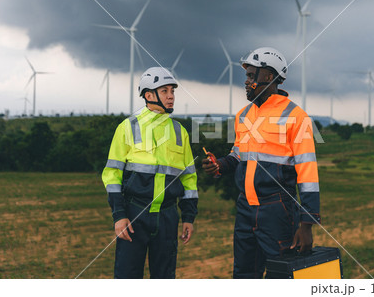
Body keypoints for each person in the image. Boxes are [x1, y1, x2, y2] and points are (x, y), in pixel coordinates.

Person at [202, 47, 320, 278]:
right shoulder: (243, 116)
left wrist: (307, 223)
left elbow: (308, 172)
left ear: (268, 76)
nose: (246, 81)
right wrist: (220, 166)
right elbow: (238, 155)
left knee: (280, 277)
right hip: (245, 208)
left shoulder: (296, 117)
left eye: (250, 75)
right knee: (244, 275)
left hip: (278, 210)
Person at [102, 67, 198, 279]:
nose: (171, 96)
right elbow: (112, 175)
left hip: (167, 216)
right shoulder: (127, 127)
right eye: (164, 91)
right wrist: (119, 215)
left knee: (164, 278)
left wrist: (188, 217)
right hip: (134, 213)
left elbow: (189, 178)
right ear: (148, 95)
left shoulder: (179, 131)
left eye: (172, 91)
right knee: (127, 277)